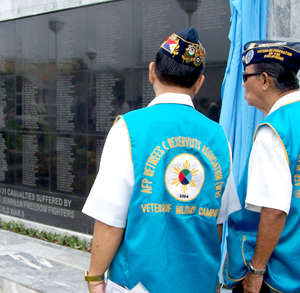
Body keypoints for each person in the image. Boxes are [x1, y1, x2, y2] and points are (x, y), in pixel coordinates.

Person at [82, 27, 240, 293]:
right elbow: (217, 222)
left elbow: (110, 220)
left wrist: (95, 277)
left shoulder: (128, 129)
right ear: (199, 82)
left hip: (139, 284)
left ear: (152, 71)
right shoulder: (218, 136)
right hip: (198, 282)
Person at [223, 40, 300, 293]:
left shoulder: (274, 130)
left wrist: (255, 272)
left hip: (279, 273)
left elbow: (275, 210)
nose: (243, 83)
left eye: (246, 76)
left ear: (265, 80)